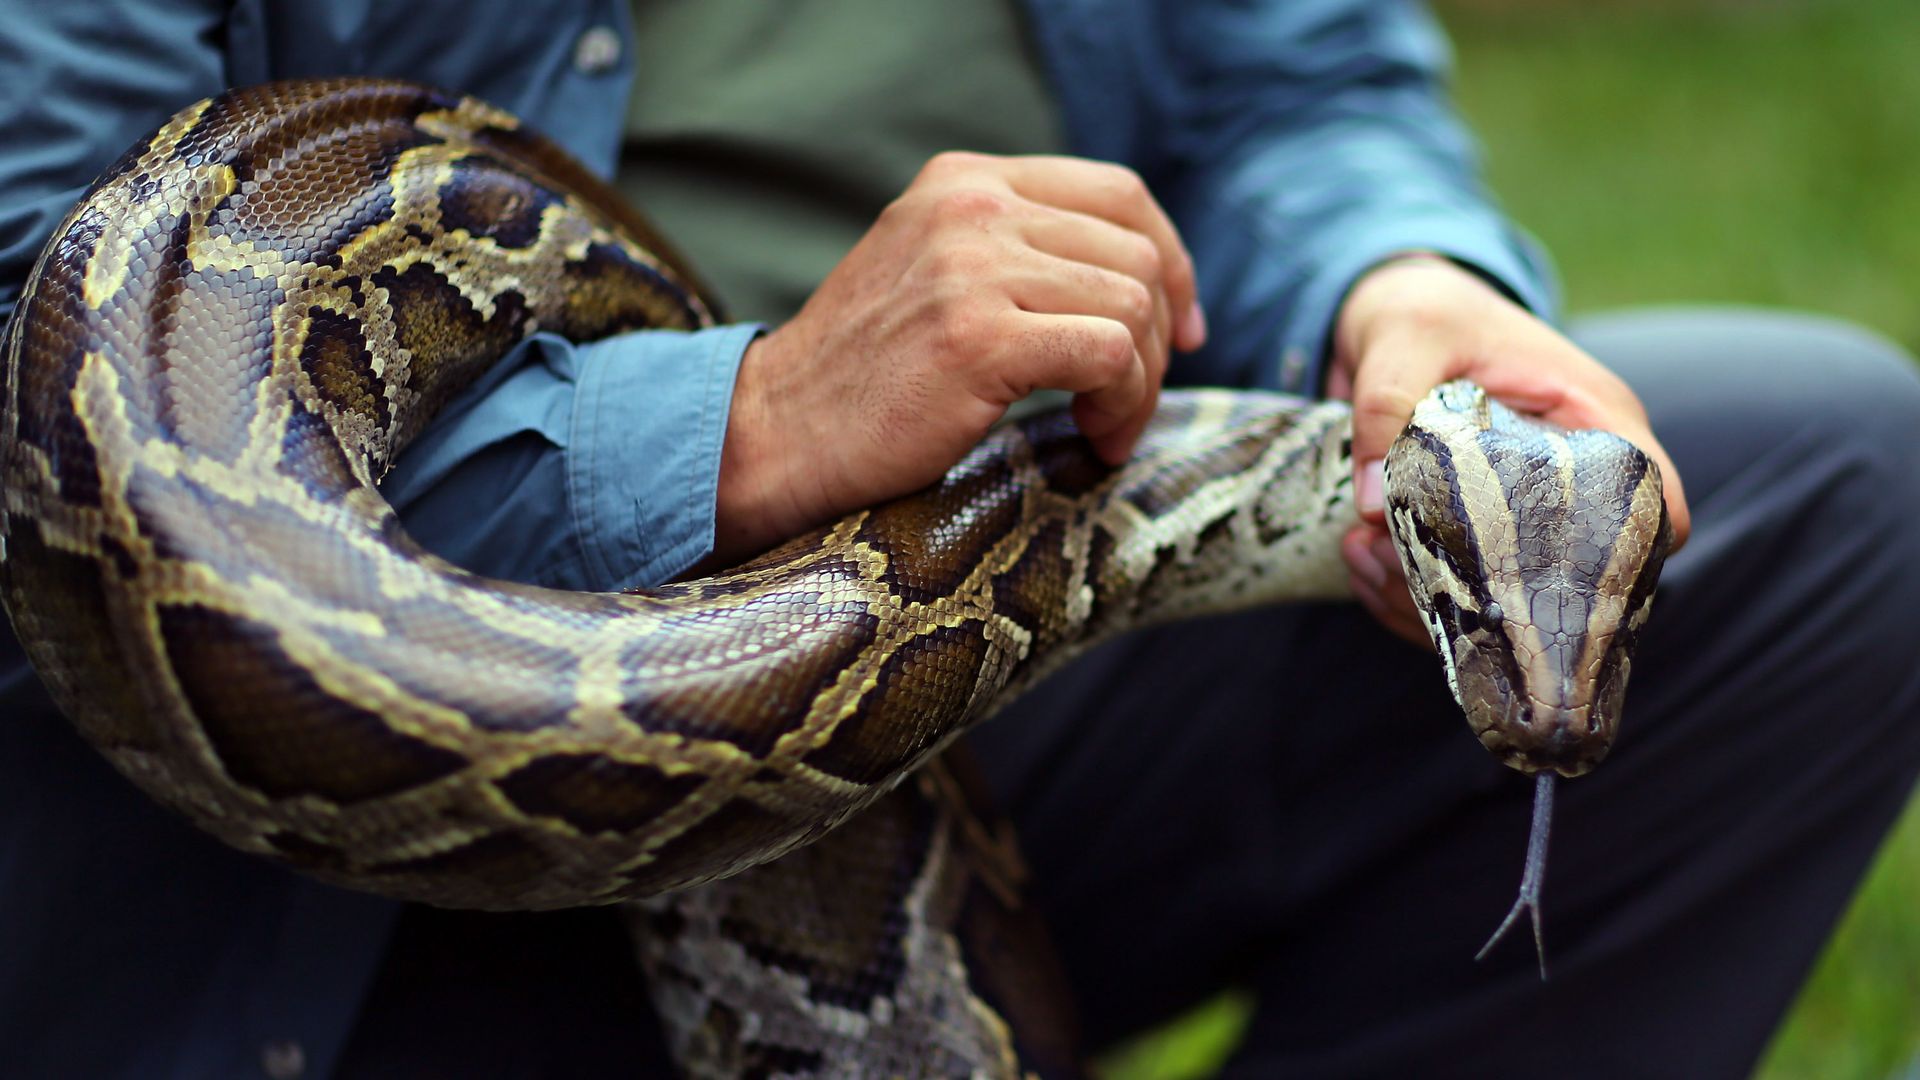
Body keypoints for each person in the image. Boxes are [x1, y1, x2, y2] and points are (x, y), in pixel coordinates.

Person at [2, 1, 1916, 1076]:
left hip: (960, 625)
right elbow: (37, 333)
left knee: (1823, 479)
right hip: (300, 878)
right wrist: (748, 423)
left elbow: (1297, 88)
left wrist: (1392, 278)